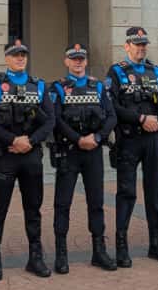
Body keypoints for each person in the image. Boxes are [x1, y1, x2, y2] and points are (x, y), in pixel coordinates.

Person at [0, 39, 56, 280]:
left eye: (23, 54)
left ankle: (35, 258)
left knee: (33, 208)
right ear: (6, 58)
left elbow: (50, 121)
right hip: (4, 155)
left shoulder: (39, 86)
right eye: (15, 55)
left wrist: (30, 142)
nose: (20, 58)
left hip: (31, 156)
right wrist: (13, 140)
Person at [106, 26, 158, 267]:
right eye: (136, 44)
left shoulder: (155, 71)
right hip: (129, 139)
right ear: (127, 46)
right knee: (126, 193)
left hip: (154, 139)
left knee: (154, 191)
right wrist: (140, 119)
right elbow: (112, 106)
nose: (141, 47)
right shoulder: (116, 72)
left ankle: (157, 243)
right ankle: (121, 247)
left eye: (144, 44)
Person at [50, 44, 118, 274]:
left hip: (93, 151)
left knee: (96, 202)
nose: (78, 62)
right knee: (62, 203)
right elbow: (56, 119)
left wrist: (97, 137)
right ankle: (61, 254)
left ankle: (99, 251)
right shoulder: (58, 88)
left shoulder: (97, 86)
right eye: (73, 59)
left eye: (81, 58)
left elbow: (111, 116)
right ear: (66, 61)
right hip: (70, 151)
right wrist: (78, 139)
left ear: (86, 61)